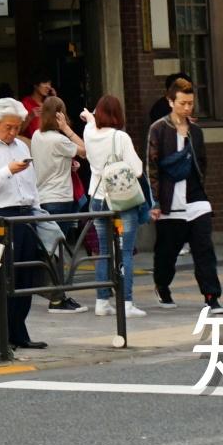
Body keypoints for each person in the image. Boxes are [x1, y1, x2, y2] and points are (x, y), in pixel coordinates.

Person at [0, 97, 50, 353]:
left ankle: (19, 331)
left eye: (17, 127)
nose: (13, 132)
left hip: (25, 214)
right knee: (1, 277)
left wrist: (37, 209)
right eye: (8, 127)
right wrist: (7, 171)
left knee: (25, 277)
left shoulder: (21, 148)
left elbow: (31, 183)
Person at [146, 78, 223, 315]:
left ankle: (211, 297)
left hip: (196, 197)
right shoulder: (158, 129)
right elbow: (151, 166)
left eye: (191, 103)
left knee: (204, 248)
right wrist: (155, 201)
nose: (188, 108)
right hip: (170, 199)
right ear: (170, 102)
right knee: (167, 251)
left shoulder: (196, 131)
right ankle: (162, 285)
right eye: (183, 103)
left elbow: (202, 162)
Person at [82, 94, 147, 316]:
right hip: (120, 201)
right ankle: (127, 302)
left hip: (97, 198)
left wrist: (89, 118)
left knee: (102, 250)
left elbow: (91, 125)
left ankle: (102, 302)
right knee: (125, 251)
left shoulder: (89, 134)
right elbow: (137, 169)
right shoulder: (121, 137)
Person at [29, 95, 89, 312]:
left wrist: (66, 163)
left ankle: (55, 294)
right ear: (60, 114)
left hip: (42, 196)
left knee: (48, 248)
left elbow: (53, 160)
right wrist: (68, 129)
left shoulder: (37, 135)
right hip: (60, 198)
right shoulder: (59, 139)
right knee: (57, 250)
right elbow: (84, 150)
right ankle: (57, 298)